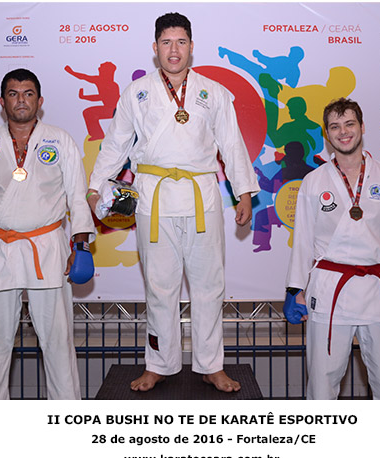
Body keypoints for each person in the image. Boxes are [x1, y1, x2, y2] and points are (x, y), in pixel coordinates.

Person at [87, 12, 260, 393]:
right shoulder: (137, 92)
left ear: (191, 47)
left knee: (209, 287)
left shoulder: (213, 92)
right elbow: (116, 144)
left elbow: (231, 144)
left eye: (181, 42)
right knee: (159, 288)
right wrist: (96, 186)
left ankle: (211, 365)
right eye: (166, 42)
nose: (174, 50)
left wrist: (244, 192)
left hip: (202, 197)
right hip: (154, 198)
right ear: (155, 48)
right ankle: (159, 364)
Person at [0, 68, 96, 399]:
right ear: (2, 102)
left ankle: (67, 417)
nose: (21, 100)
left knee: (57, 342)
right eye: (13, 94)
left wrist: (81, 246)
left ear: (40, 101)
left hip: (47, 247)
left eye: (28, 94)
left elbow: (77, 195)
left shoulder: (60, 141)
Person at [283, 98, 380, 400]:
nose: (343, 132)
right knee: (322, 385)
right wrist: (294, 288)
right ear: (327, 134)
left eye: (349, 124)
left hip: (379, 289)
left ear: (362, 127)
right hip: (329, 289)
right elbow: (303, 240)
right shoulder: (313, 181)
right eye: (335, 126)